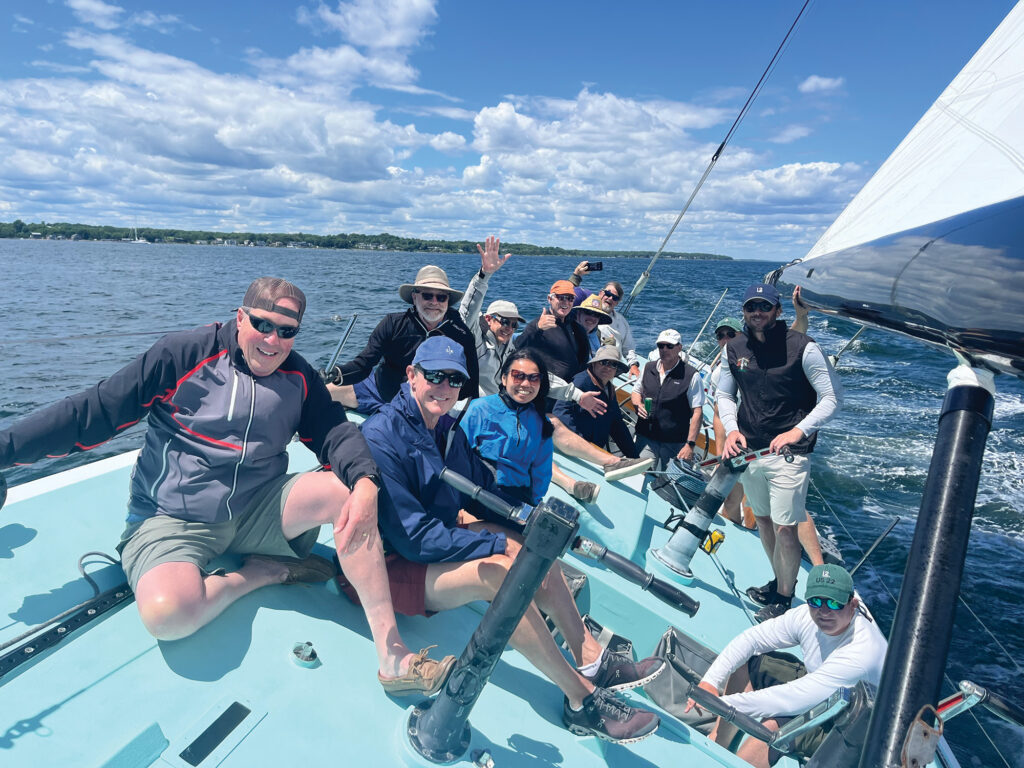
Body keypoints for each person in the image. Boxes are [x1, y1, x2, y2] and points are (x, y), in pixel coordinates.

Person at [0, 277, 453, 695]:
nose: (274, 341)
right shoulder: (182, 355)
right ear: (240, 318)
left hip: (257, 507)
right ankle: (258, 573)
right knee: (168, 615)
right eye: (263, 325)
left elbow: (336, 433)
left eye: (287, 331)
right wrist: (6, 448)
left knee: (345, 492)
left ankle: (393, 657)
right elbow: (92, 412)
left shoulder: (299, 377)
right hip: (172, 517)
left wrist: (367, 483)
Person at [356, 337, 664, 743]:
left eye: (454, 379)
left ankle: (591, 658)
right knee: (504, 570)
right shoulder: (381, 435)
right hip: (391, 568)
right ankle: (581, 700)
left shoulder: (446, 429)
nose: (444, 387)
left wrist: (534, 522)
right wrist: (495, 545)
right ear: (412, 376)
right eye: (434, 375)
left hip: (436, 544)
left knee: (536, 548)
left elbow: (478, 489)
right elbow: (414, 538)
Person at [718, 284, 842, 622]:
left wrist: (798, 430)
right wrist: (732, 430)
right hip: (751, 451)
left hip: (789, 453)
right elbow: (725, 395)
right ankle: (778, 582)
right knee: (763, 521)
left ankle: (785, 598)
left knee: (787, 527)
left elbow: (832, 397)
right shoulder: (735, 348)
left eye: (764, 306)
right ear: (744, 311)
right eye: (751, 307)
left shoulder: (804, 348)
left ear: (777, 311)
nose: (757, 312)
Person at [688, 564, 886, 767]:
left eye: (835, 604)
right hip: (822, 691)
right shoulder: (805, 616)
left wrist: (721, 704)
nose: (824, 611)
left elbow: (790, 700)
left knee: (778, 727)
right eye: (816, 601)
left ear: (853, 605)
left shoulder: (861, 654)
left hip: (857, 729)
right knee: (751, 664)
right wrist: (710, 683)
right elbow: (752, 639)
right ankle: (718, 743)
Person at [515, 281, 652, 486]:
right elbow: (516, 352)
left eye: (569, 298)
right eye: (560, 297)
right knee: (553, 432)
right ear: (549, 298)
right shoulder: (541, 323)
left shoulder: (575, 329)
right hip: (543, 395)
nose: (565, 301)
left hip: (570, 392)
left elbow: (581, 364)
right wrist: (535, 328)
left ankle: (610, 462)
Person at [329, 265, 479, 414]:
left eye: (441, 297)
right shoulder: (392, 324)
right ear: (414, 297)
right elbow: (363, 365)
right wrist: (335, 374)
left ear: (448, 301)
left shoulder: (461, 335)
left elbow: (470, 385)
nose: (434, 302)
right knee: (319, 391)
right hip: (380, 391)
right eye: (427, 295)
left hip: (428, 406)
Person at [461, 350, 554, 505]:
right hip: (477, 489)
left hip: (517, 497)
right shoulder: (479, 409)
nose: (526, 384)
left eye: (534, 378)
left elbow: (541, 471)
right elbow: (458, 455)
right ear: (504, 378)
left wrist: (534, 504)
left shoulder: (541, 422)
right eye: (518, 375)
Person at [631, 329, 705, 472]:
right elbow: (636, 391)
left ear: (679, 348)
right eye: (661, 346)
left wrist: (690, 444)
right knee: (640, 474)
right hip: (646, 437)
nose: (664, 349)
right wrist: (638, 403)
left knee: (672, 483)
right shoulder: (648, 368)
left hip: (675, 443)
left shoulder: (691, 376)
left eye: (669, 346)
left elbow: (697, 412)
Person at [458, 235, 521, 397]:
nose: (509, 328)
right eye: (505, 322)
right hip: (471, 403)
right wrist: (484, 275)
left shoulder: (509, 347)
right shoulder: (475, 337)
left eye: (514, 325)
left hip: (498, 400)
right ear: (488, 319)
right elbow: (468, 310)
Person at [553, 346, 640, 460]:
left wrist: (634, 457)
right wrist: (579, 441)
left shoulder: (609, 389)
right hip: (576, 451)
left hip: (593, 451)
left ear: (616, 370)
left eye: (613, 364)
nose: (607, 367)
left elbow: (617, 425)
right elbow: (560, 412)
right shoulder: (581, 382)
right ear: (594, 364)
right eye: (604, 362)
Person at [569, 261, 640, 379]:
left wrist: (633, 364)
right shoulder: (585, 306)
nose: (610, 298)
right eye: (607, 293)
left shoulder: (621, 321)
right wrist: (576, 275)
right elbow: (566, 297)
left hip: (611, 367)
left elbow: (628, 348)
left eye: (615, 298)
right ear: (600, 293)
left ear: (617, 302)